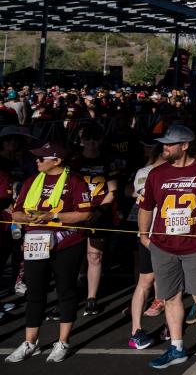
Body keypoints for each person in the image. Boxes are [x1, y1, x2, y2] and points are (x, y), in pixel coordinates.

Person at [138, 125, 196, 372]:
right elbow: (145, 207)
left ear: (184, 145)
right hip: (163, 245)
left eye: (169, 144)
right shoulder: (157, 173)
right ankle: (176, 347)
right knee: (170, 297)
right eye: (163, 144)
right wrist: (145, 237)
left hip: (195, 244)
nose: (164, 148)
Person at [5, 141, 92, 363]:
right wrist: (29, 218)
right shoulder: (31, 181)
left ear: (57, 160)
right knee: (34, 293)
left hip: (67, 244)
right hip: (35, 242)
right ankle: (30, 342)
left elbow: (84, 215)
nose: (37, 160)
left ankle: (62, 341)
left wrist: (52, 216)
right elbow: (16, 214)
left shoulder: (75, 181)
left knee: (65, 291)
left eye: (42, 158)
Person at [76, 122, 122, 316]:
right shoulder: (74, 162)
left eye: (95, 139)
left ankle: (92, 298)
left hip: (99, 213)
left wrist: (98, 213)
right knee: (75, 254)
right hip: (76, 214)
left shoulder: (108, 162)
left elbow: (113, 191)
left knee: (94, 255)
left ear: (101, 141)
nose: (91, 143)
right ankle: (74, 290)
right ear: (81, 141)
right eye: (87, 139)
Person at [128, 143, 167, 350]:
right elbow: (143, 197)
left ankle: (169, 326)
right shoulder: (145, 172)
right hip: (151, 234)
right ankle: (136, 331)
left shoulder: (180, 171)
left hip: (170, 233)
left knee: (169, 282)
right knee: (146, 280)